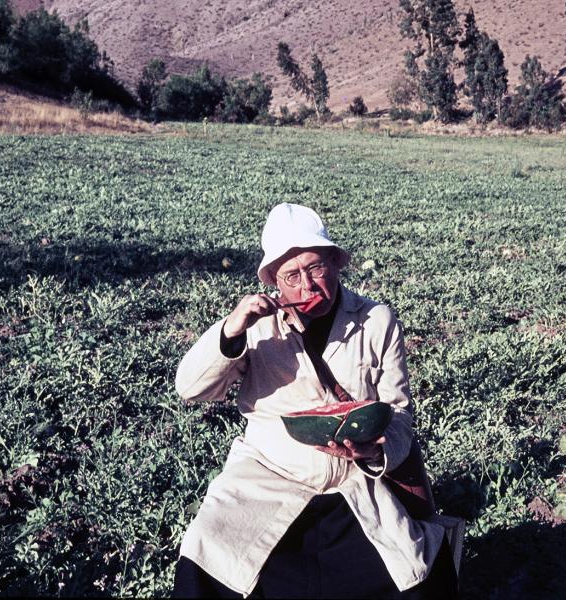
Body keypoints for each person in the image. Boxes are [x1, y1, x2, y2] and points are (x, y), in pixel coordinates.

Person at [172, 203, 457, 598]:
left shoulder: (377, 320)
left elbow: (400, 415)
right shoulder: (256, 328)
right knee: (209, 554)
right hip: (269, 476)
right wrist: (231, 329)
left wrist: (373, 451)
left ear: (335, 263)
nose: (307, 287)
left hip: (354, 482)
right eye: (292, 276)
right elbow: (191, 389)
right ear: (273, 280)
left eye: (316, 268)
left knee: (411, 573)